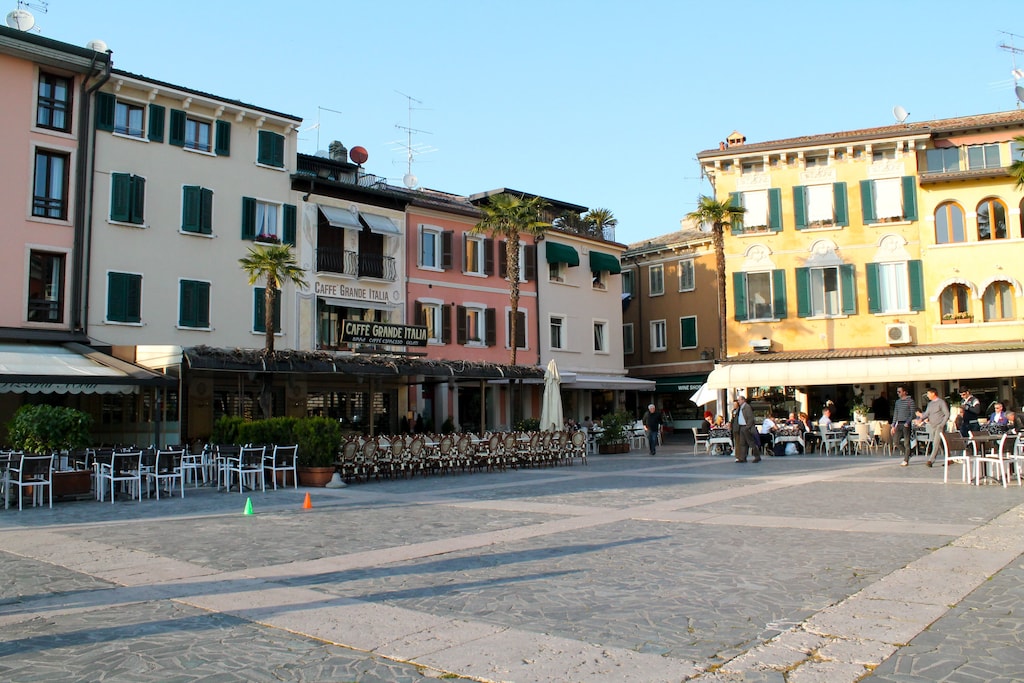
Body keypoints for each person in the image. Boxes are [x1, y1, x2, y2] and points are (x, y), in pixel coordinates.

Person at [915, 387, 950, 467]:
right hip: (932, 426)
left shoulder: (941, 402)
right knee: (940, 443)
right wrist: (921, 419)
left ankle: (931, 460)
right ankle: (949, 458)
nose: (927, 395)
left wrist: (942, 424)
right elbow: (927, 413)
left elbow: (947, 414)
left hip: (939, 426)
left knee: (935, 442)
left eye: (928, 394)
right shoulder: (930, 404)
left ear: (933, 393)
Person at [892, 386, 917, 465]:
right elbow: (895, 413)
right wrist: (893, 425)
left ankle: (906, 460)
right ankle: (909, 453)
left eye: (899, 392)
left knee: (906, 442)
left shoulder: (910, 401)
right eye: (897, 392)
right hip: (899, 423)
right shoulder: (897, 402)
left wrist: (908, 422)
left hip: (906, 424)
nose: (898, 393)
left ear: (904, 392)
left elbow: (912, 414)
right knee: (896, 441)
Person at [731, 395, 759, 463]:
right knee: (742, 443)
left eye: (739, 400)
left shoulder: (747, 407)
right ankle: (743, 457)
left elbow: (750, 418)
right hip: (741, 427)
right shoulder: (740, 408)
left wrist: (747, 427)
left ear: (743, 400)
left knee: (751, 442)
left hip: (746, 427)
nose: (738, 401)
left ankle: (757, 456)